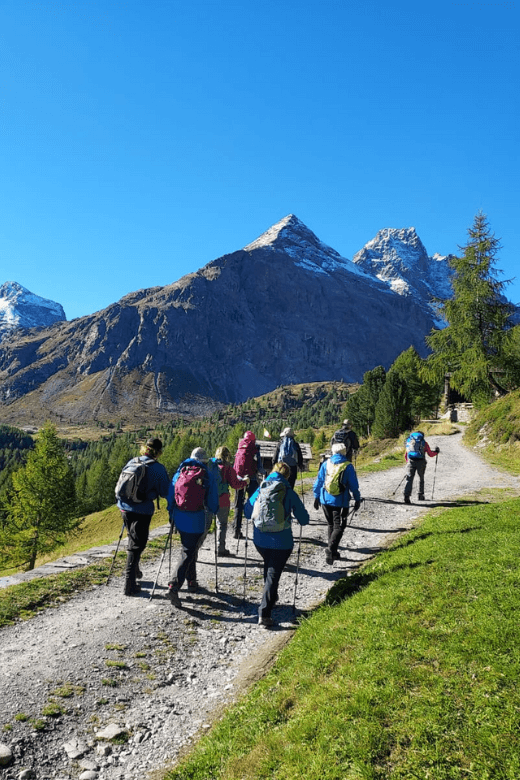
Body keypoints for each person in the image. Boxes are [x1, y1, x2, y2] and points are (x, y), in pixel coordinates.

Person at [244, 462, 309, 627]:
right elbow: (304, 519)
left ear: (272, 472)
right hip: (282, 541)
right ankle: (264, 613)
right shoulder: (288, 491)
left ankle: (271, 598)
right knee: (273, 574)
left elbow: (246, 511)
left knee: (269, 567)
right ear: (287, 476)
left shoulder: (261, 489)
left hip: (259, 540)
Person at [116, 438, 170, 597]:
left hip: (124, 507)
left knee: (133, 540)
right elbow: (165, 492)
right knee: (137, 544)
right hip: (142, 509)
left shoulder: (133, 461)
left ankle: (135, 572)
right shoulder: (158, 468)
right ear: (159, 452)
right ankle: (129, 584)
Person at [166, 447, 219, 607]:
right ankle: (174, 585)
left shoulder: (180, 471)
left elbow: (171, 494)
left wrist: (171, 513)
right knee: (188, 551)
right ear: (204, 461)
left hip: (179, 517)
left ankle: (192, 581)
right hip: (197, 518)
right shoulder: (207, 475)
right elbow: (212, 500)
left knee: (189, 548)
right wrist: (214, 511)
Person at [313, 442, 361, 565]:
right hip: (341, 501)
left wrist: (316, 497)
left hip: (325, 499)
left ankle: (333, 552)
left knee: (331, 525)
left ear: (332, 452)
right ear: (344, 452)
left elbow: (319, 481)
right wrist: (357, 499)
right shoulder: (348, 466)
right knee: (339, 526)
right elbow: (353, 486)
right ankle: (330, 550)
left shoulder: (326, 464)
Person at [209, 446, 249, 556]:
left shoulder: (211, 466)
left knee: (206, 525)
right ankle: (220, 548)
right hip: (223, 499)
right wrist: (245, 482)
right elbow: (235, 484)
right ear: (227, 456)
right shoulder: (227, 468)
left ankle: (195, 551)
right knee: (221, 524)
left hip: (209, 498)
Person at [232, 431, 264, 539]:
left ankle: (236, 530)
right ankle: (256, 529)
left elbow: (235, 465)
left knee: (238, 504)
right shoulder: (255, 449)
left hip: (240, 478)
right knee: (254, 502)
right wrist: (264, 473)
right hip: (252, 478)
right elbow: (259, 467)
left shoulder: (240, 447)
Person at [403, 431, 440, 504]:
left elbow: (406, 455)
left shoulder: (410, 442)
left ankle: (406, 496)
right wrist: (436, 452)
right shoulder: (424, 443)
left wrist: (408, 462)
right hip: (421, 462)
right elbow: (430, 454)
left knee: (409, 479)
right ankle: (420, 495)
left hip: (411, 462)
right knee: (421, 478)